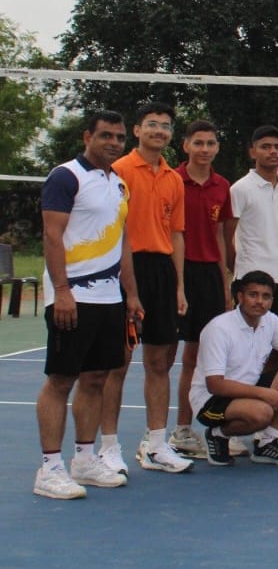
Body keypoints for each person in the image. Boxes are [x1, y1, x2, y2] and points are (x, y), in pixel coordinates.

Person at [34, 110, 143, 499]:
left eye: (118, 137)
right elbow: (51, 235)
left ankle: (83, 459)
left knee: (97, 378)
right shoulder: (65, 177)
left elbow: (122, 242)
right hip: (73, 297)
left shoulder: (118, 183)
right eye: (105, 136)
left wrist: (130, 294)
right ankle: (49, 468)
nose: (113, 143)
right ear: (87, 137)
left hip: (109, 299)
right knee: (61, 380)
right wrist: (62, 291)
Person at [99, 102, 192, 476]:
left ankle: (156, 444)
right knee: (116, 363)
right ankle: (107, 447)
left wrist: (180, 285)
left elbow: (177, 234)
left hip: (161, 271)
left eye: (166, 126)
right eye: (152, 124)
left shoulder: (173, 178)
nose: (159, 130)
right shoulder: (118, 171)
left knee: (159, 362)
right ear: (137, 130)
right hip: (125, 268)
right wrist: (123, 281)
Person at [190, 270, 278, 467]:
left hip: (249, 388)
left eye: (266, 296)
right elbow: (215, 385)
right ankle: (217, 434)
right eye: (253, 295)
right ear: (240, 297)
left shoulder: (270, 320)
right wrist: (263, 393)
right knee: (262, 413)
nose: (260, 302)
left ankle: (267, 442)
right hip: (211, 401)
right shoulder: (219, 329)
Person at [170, 120, 234, 458]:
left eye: (210, 143)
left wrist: (225, 283)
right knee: (172, 355)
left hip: (210, 275)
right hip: (177, 273)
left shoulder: (222, 186)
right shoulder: (171, 181)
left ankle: (214, 428)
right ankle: (180, 430)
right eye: (199, 143)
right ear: (186, 146)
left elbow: (224, 238)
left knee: (203, 358)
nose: (205, 149)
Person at [227, 126, 278, 319]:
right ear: (253, 152)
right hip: (250, 277)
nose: (273, 151)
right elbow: (227, 236)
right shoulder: (240, 189)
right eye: (265, 147)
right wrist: (239, 269)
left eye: (277, 146)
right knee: (248, 337)